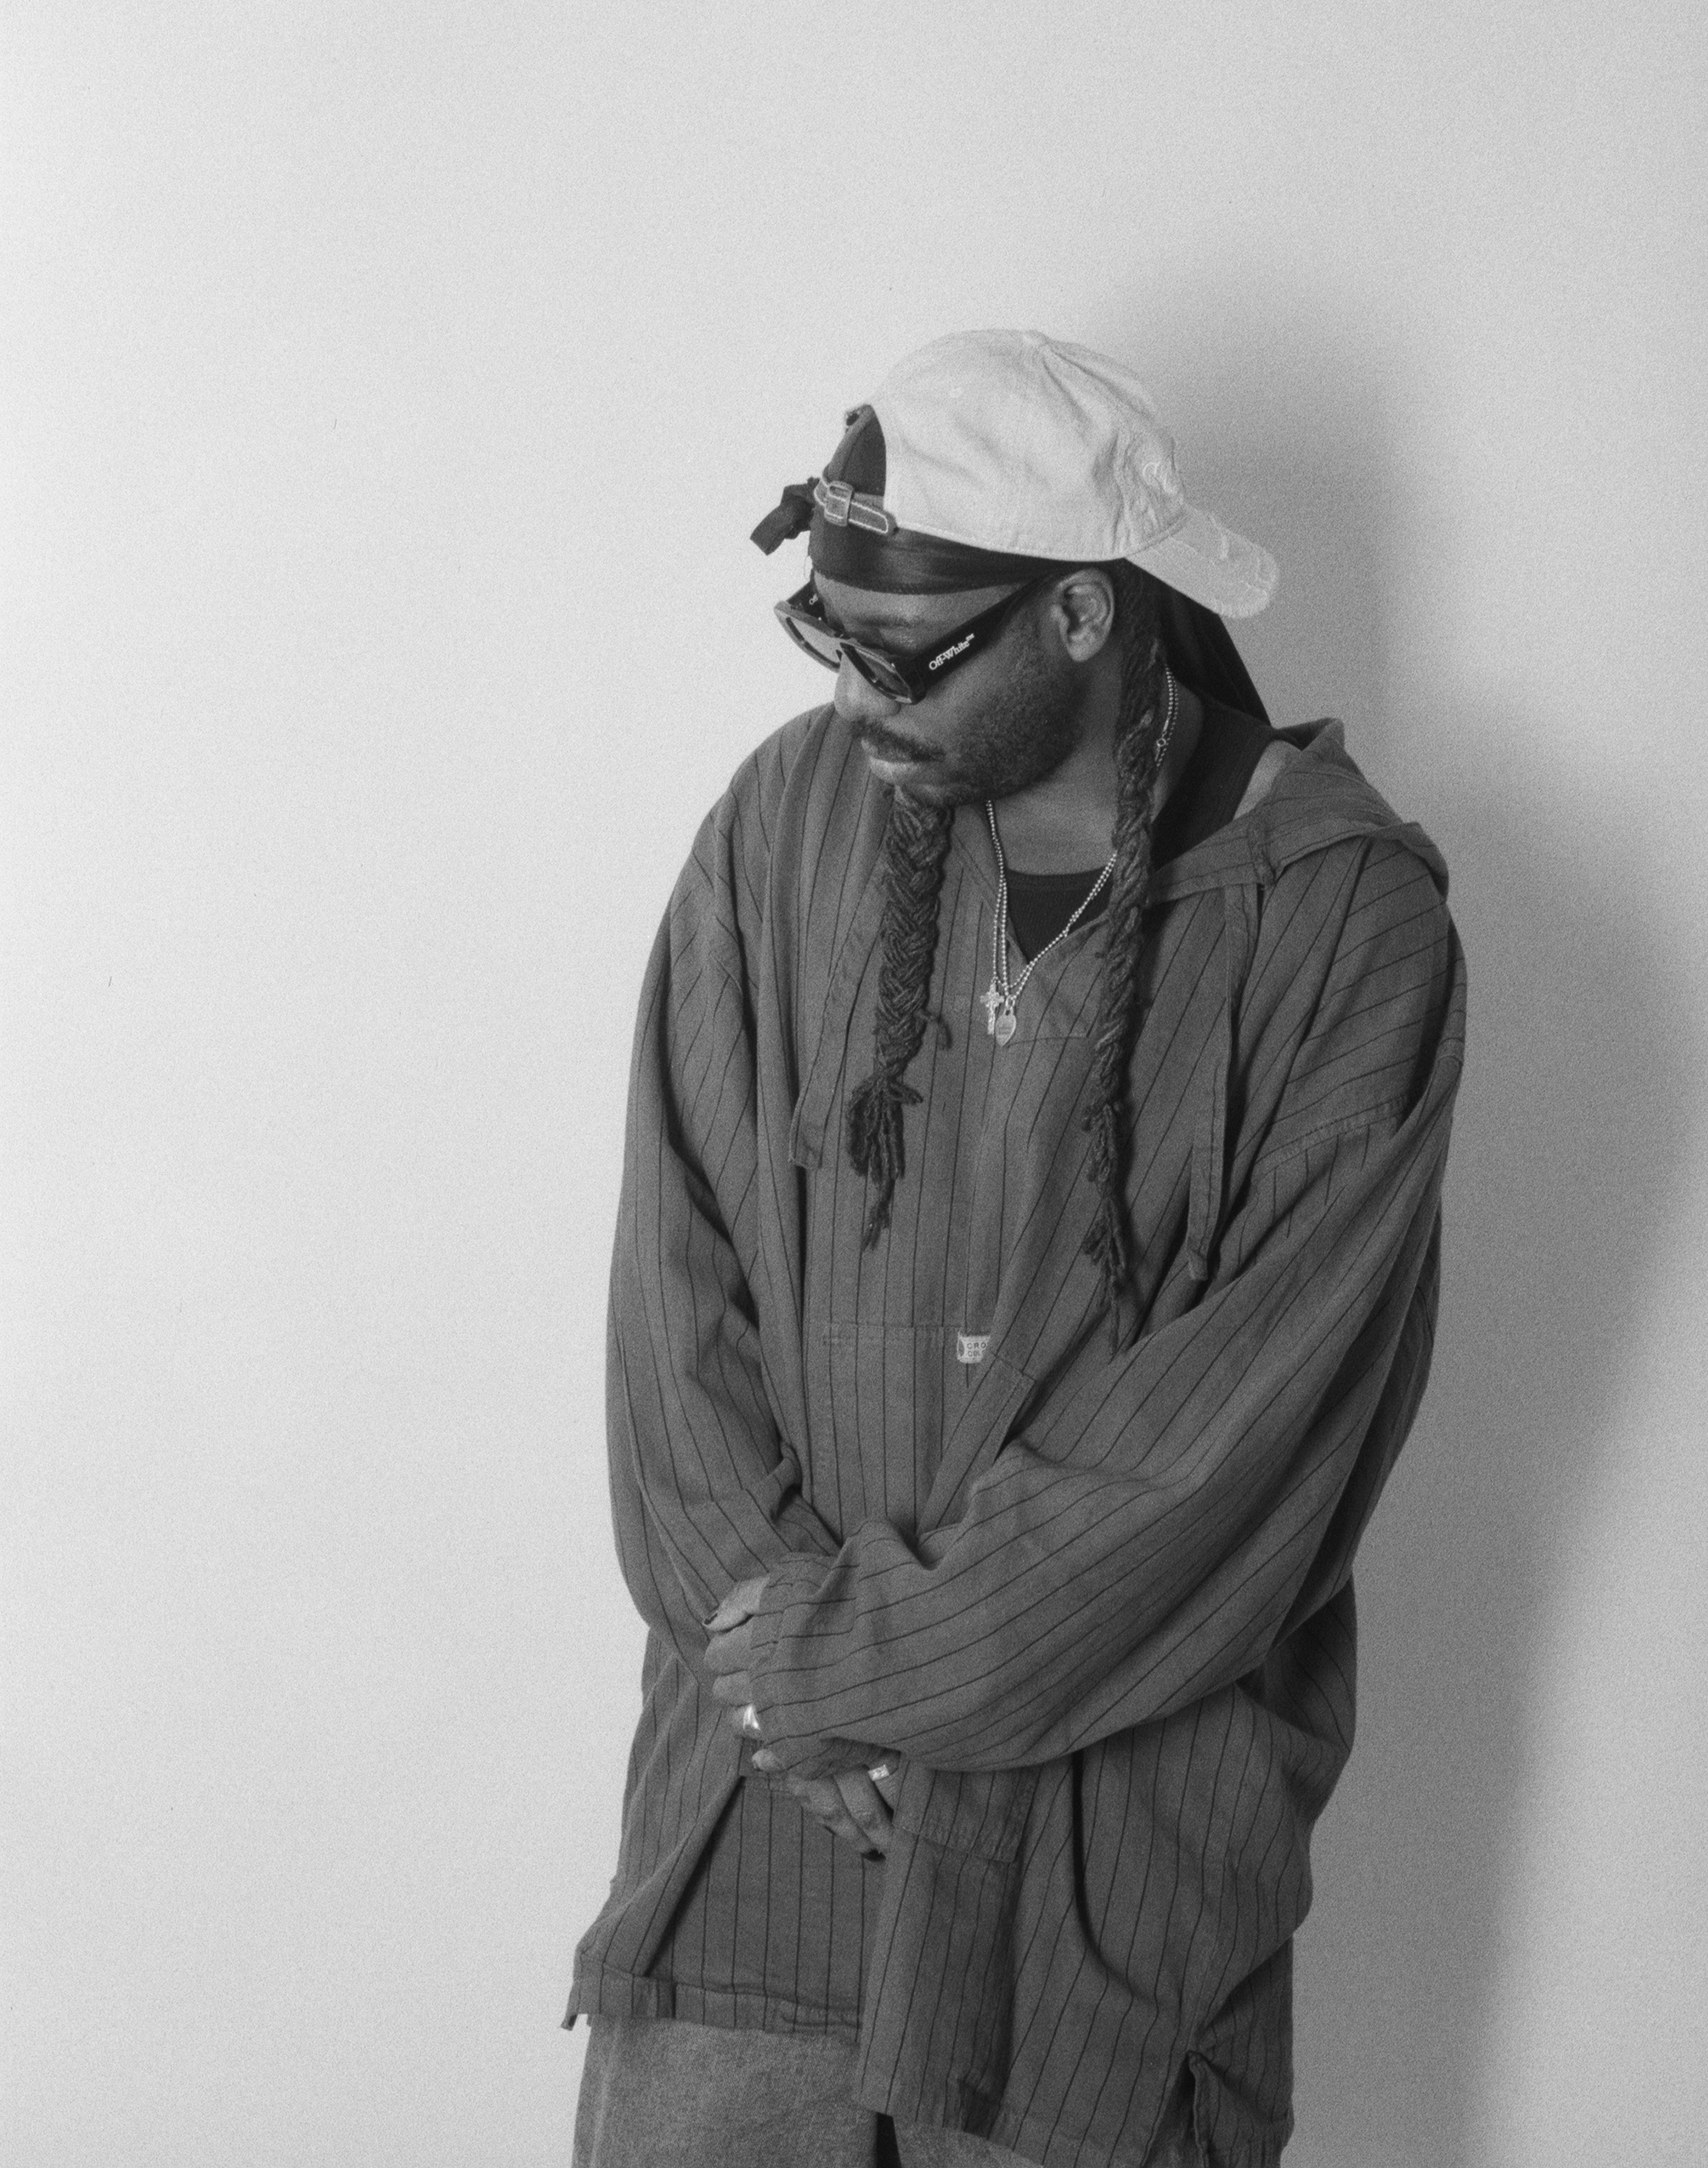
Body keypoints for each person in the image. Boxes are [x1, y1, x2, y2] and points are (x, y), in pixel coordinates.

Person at [564, 330, 1465, 2168]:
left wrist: (846, 1674)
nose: (854, 697)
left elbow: (1227, 1460)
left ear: (1080, 613)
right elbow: (677, 1318)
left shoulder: (1341, 929)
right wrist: (780, 1691)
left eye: (904, 654)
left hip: (1096, 1901)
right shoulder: (782, 830)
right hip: (757, 1858)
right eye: (825, 636)